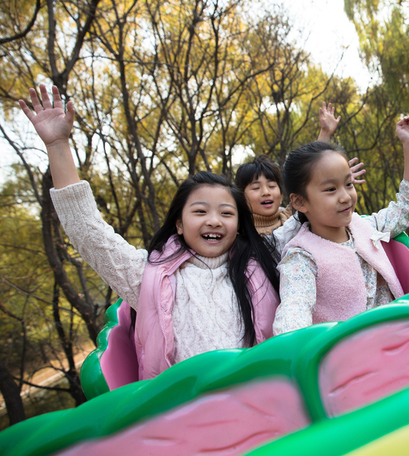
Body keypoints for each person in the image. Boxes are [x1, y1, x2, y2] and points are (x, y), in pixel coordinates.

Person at [19, 85, 280, 380]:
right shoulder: (148, 277)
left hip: (257, 403)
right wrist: (57, 146)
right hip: (179, 413)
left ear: (238, 224)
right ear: (179, 224)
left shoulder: (262, 262)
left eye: (226, 213)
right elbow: (89, 233)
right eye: (199, 211)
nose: (214, 221)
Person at [273, 116, 409, 335]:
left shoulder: (366, 226)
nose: (345, 197)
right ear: (299, 202)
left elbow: (407, 207)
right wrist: (292, 345)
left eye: (348, 184)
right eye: (330, 190)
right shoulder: (301, 257)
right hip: (354, 356)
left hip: (399, 333)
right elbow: (294, 310)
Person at [235, 103, 365, 237]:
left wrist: (335, 175)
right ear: (241, 197)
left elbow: (309, 175)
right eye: (256, 188)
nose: (266, 192)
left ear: (281, 196)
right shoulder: (238, 231)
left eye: (272, 186)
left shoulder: (291, 218)